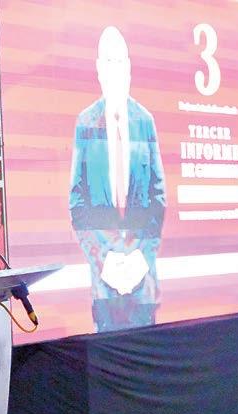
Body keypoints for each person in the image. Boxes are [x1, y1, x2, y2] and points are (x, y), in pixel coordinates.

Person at [69, 26, 166, 333]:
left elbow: (158, 196)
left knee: (149, 355)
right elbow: (78, 202)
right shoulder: (86, 122)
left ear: (129, 67)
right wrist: (104, 259)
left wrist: (141, 256)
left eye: (121, 61)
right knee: (107, 355)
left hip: (143, 283)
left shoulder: (144, 121)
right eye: (109, 61)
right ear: (99, 69)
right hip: (105, 285)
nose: (116, 69)